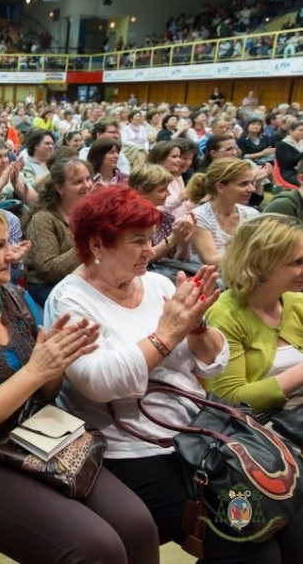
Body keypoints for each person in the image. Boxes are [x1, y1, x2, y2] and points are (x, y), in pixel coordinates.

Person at [46, 186, 303, 562]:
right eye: (138, 241)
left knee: (292, 520)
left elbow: (212, 363)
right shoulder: (70, 299)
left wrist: (197, 328)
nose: (151, 250)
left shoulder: (157, 283)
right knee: (247, 534)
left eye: (151, 238)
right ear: (98, 244)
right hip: (130, 448)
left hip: (198, 430)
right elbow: (97, 383)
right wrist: (166, 335)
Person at [0, 204, 159, 564]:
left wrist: (55, 360)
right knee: (95, 547)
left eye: (9, 243)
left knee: (137, 526)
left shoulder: (14, 297)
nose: (12, 254)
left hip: (39, 436)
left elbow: (48, 391)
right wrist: (35, 371)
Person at [205, 213, 303, 412]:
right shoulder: (226, 315)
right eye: (297, 262)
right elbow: (231, 401)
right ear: (260, 264)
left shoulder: (296, 302)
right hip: (261, 425)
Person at [24, 157, 92, 308]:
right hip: (48, 286)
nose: (87, 185)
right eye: (78, 182)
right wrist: (88, 244)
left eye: (88, 179)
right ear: (60, 188)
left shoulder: (91, 213)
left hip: (84, 280)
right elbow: (49, 270)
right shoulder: (43, 219)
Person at [186, 158, 259, 266]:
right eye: (244, 184)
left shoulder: (251, 214)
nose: (252, 189)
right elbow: (211, 259)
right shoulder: (199, 216)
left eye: (251, 183)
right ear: (220, 187)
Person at [128, 163, 194, 262]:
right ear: (141, 192)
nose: (168, 194)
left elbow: (180, 260)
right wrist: (173, 239)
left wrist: (184, 242)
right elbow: (140, 260)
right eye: (162, 190)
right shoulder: (129, 221)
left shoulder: (167, 219)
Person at [276, 122, 303, 186]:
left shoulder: (301, 143)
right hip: (289, 173)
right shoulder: (283, 144)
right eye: (300, 130)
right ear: (291, 131)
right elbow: (287, 162)